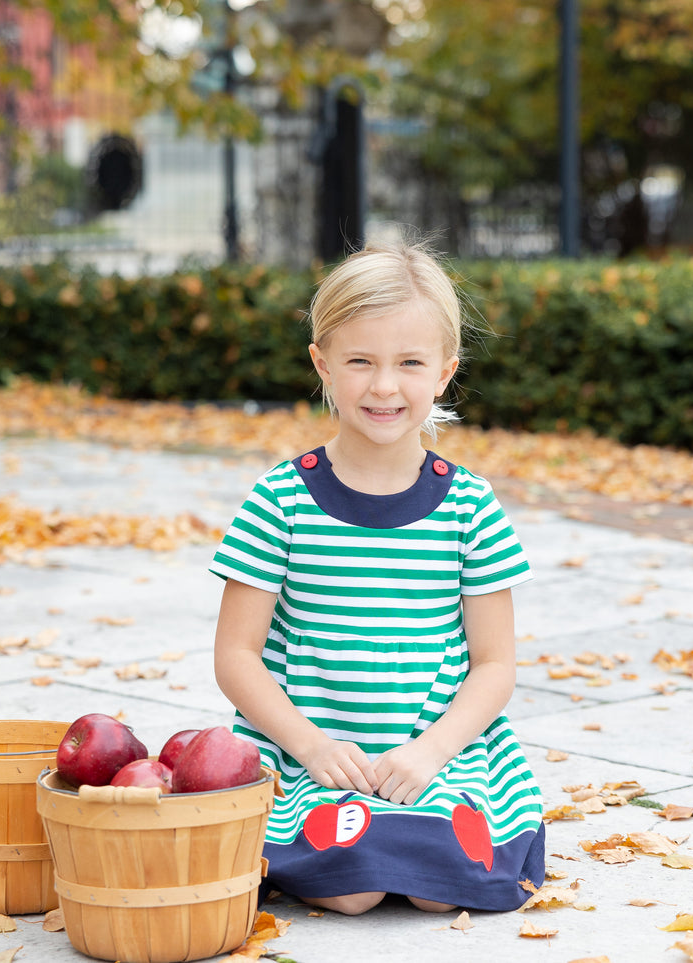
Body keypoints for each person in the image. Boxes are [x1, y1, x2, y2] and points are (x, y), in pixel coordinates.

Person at [210, 239, 546, 915]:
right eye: (359, 360)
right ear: (322, 364)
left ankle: (416, 828)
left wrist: (430, 752)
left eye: (409, 363)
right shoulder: (280, 499)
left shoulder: (468, 505)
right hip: (313, 749)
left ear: (444, 372)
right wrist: (308, 743)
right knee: (356, 888)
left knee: (436, 889)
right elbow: (235, 655)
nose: (384, 385)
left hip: (433, 750)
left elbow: (494, 664)